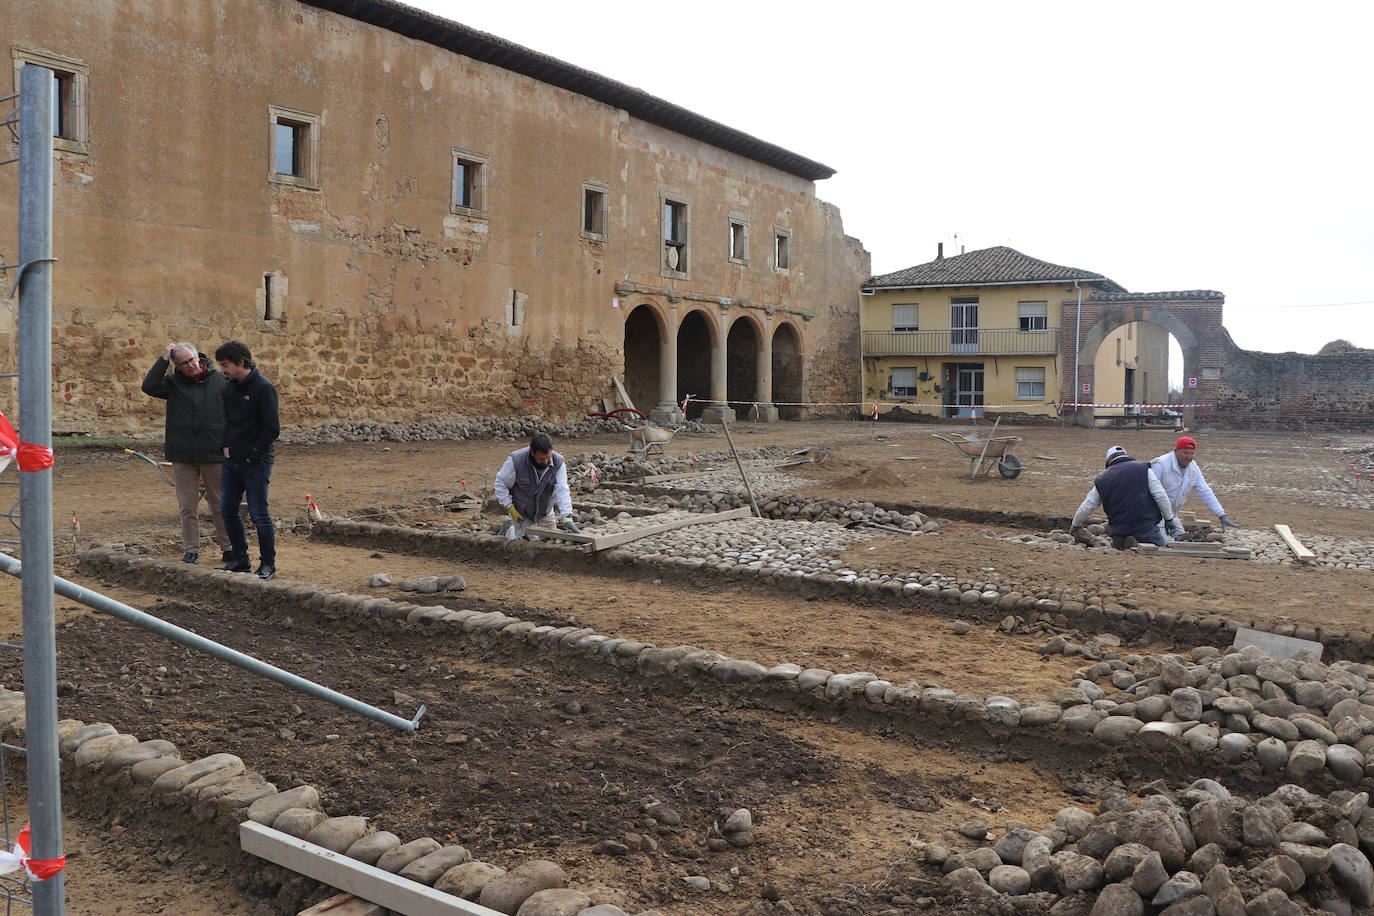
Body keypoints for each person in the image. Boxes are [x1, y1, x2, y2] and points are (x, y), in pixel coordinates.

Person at [140, 342, 233, 565]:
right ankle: (191, 549)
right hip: (182, 454)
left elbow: (232, 414)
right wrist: (163, 358)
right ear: (177, 366)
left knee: (219, 504)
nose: (190, 366)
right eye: (183, 363)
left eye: (191, 360)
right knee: (187, 506)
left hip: (214, 451)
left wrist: (230, 444)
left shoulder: (221, 381)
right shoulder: (172, 384)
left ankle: (228, 547)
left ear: (198, 356)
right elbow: (149, 386)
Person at [215, 340, 280, 579]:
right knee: (228, 509)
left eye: (225, 365)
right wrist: (224, 445)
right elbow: (228, 420)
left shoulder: (263, 388)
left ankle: (268, 564)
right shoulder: (231, 387)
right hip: (232, 461)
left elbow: (271, 428)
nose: (222, 370)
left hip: (256, 463)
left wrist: (254, 456)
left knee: (258, 513)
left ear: (241, 362)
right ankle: (240, 560)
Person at [1071, 446, 1184, 550]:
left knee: (1120, 552)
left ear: (1108, 461)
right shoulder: (1143, 469)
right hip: (1145, 526)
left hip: (1119, 529)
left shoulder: (1102, 479)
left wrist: (1076, 524)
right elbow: (1160, 495)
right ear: (1126, 455)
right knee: (1159, 551)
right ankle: (1135, 542)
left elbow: (1089, 504)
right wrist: (1169, 519)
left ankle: (1124, 543)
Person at [1150, 436, 1239, 540]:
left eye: (1191, 453)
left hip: (1171, 515)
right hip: (1153, 515)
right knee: (1164, 542)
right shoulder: (1160, 464)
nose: (1189, 457)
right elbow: (1147, 491)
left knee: (1181, 537)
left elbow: (1204, 491)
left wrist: (1221, 514)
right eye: (1185, 452)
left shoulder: (1193, 467)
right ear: (1176, 451)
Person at [494, 434, 580, 540]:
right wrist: (510, 508)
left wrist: (567, 517)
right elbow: (500, 483)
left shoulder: (558, 463)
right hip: (522, 513)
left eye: (548, 458)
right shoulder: (516, 461)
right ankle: (508, 529)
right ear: (532, 453)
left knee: (550, 541)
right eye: (541, 459)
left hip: (545, 512)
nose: (545, 462)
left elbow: (562, 489)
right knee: (524, 542)